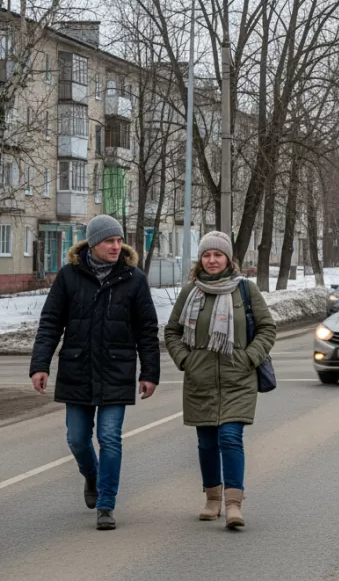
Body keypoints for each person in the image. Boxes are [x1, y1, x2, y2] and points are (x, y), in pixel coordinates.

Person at [29, 215, 160, 531]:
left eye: (118, 241)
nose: (116, 246)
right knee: (76, 439)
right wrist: (40, 365)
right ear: (93, 243)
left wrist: (150, 372)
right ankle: (91, 474)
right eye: (109, 241)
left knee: (110, 437)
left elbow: (147, 330)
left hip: (117, 369)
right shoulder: (69, 277)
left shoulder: (134, 278)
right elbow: (50, 323)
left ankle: (106, 504)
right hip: (77, 368)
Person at [164, 231, 275, 529]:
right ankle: (211, 499)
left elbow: (267, 329)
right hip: (200, 379)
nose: (212, 260)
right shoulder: (191, 291)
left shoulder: (245, 290)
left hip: (238, 377)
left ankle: (233, 504)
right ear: (200, 260)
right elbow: (172, 332)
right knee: (206, 442)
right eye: (206, 255)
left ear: (228, 258)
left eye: (218, 255)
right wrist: (186, 360)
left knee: (229, 437)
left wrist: (249, 358)